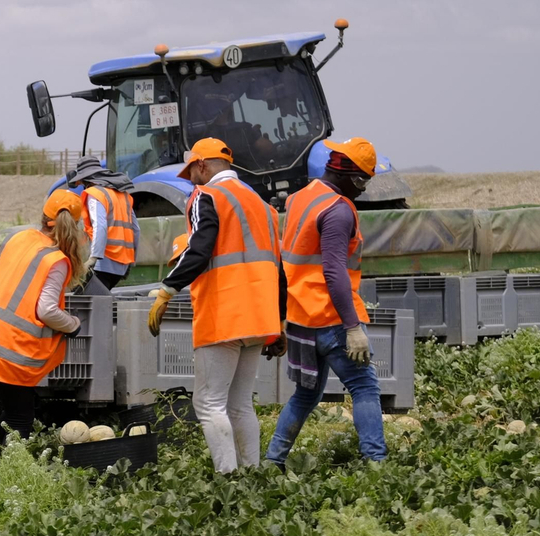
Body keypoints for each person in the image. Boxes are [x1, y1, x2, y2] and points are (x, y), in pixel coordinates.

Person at [146, 138, 281, 473]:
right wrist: (282, 322)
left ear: (202, 165)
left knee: (209, 403)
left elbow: (198, 248)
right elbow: (280, 269)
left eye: (191, 171)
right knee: (240, 405)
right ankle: (251, 474)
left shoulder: (207, 196)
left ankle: (228, 478)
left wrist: (167, 289)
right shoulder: (263, 207)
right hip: (261, 318)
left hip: (224, 314)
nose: (191, 179)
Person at [265, 138, 387, 467]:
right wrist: (352, 327)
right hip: (332, 318)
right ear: (348, 176)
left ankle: (272, 461)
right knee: (363, 387)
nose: (362, 190)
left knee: (306, 394)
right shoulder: (338, 210)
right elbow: (333, 272)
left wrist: (280, 319)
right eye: (362, 181)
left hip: (301, 318)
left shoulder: (300, 199)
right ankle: (376, 465)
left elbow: (286, 262)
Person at [0, 188, 90, 440]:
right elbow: (47, 310)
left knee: (13, 412)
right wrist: (72, 324)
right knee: (20, 417)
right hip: (13, 349)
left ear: (44, 216)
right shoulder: (56, 260)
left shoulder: (17, 238)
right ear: (75, 226)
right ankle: (7, 469)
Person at [65, 158, 140, 291]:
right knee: (102, 304)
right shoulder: (123, 194)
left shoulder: (95, 194)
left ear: (85, 179)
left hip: (103, 262)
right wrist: (131, 260)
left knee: (86, 305)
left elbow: (100, 226)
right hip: (121, 266)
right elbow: (136, 229)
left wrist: (93, 259)